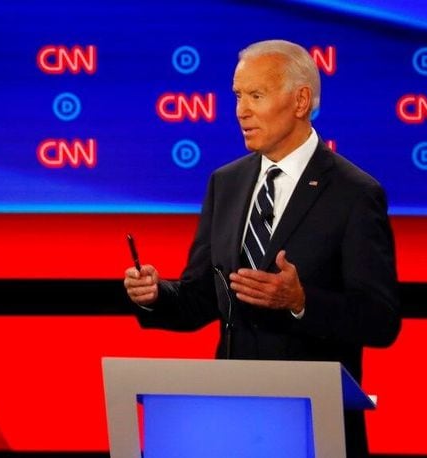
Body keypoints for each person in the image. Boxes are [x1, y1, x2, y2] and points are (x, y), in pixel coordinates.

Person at [123, 39, 400, 457]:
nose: (240, 110)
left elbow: (381, 321)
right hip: (234, 419)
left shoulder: (354, 194)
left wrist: (301, 301)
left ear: (301, 100)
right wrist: (157, 295)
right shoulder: (226, 183)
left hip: (314, 427)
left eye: (256, 95)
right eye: (237, 95)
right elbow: (202, 298)